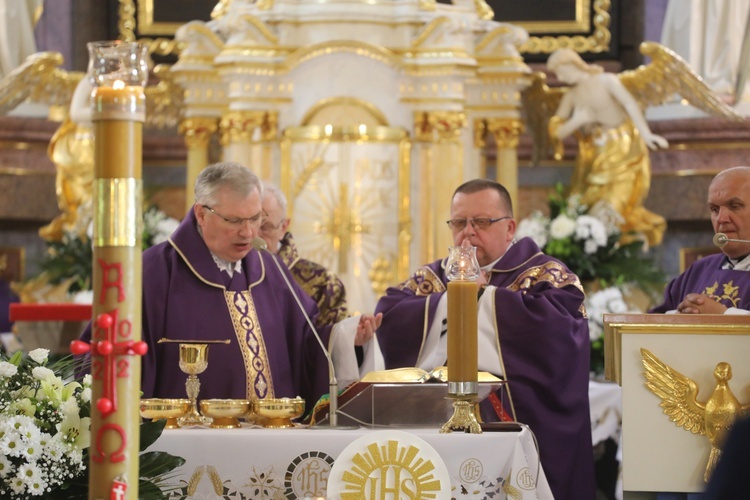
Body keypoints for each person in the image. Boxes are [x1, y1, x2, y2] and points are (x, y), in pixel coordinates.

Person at [80, 162, 381, 412]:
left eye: (255, 219)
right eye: (235, 220)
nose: (248, 232)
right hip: (188, 450)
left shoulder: (269, 268)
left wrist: (346, 338)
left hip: (272, 439)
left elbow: (305, 341)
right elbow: (112, 360)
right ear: (201, 213)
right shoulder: (153, 272)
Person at [374, 178, 596, 500]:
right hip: (436, 426)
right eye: (459, 222)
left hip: (515, 424)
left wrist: (482, 297)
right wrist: (450, 300)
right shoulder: (433, 278)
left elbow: (563, 334)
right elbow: (391, 316)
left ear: (509, 229)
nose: (468, 232)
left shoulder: (545, 274)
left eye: (481, 222)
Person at [547, 48, 669, 247]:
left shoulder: (607, 80)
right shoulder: (570, 96)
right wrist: (577, 121)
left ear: (572, 65)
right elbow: (556, 131)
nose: (560, 77)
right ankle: (601, 250)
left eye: (561, 71)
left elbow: (629, 104)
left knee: (616, 202)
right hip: (594, 155)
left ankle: (617, 244)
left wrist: (646, 134)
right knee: (590, 204)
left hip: (622, 148)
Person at [650, 166, 750, 314]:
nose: (721, 219)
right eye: (714, 209)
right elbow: (652, 327)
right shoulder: (698, 271)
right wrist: (679, 317)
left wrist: (723, 316)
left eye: (735, 206)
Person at [259, 181, 349, 328]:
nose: (254, 235)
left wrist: (355, 337)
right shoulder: (226, 274)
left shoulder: (323, 284)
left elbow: (335, 343)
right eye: (250, 223)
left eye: (265, 227)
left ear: (283, 227)